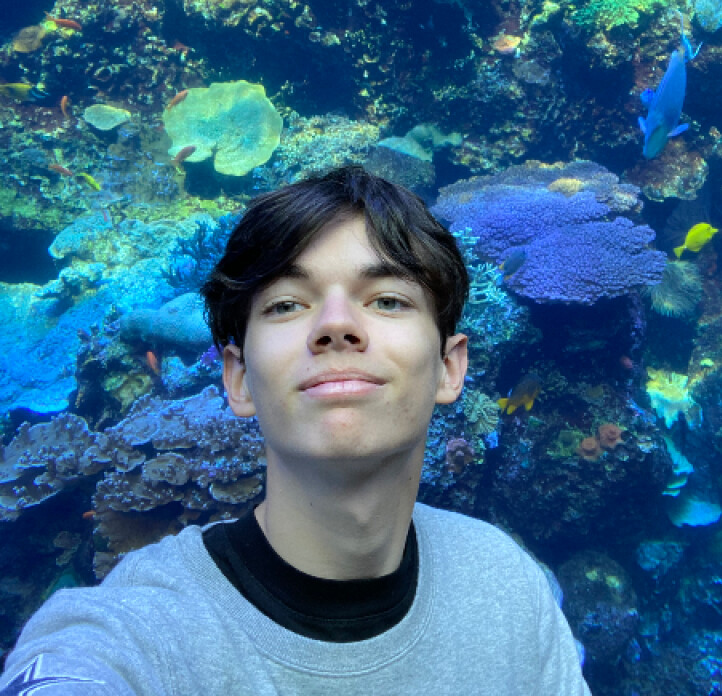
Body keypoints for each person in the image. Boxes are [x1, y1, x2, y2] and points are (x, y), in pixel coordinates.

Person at [0, 166, 590, 695]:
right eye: (286, 304)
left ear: (449, 367)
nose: (336, 325)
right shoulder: (136, 629)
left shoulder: (508, 586)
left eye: (387, 299)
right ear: (238, 379)